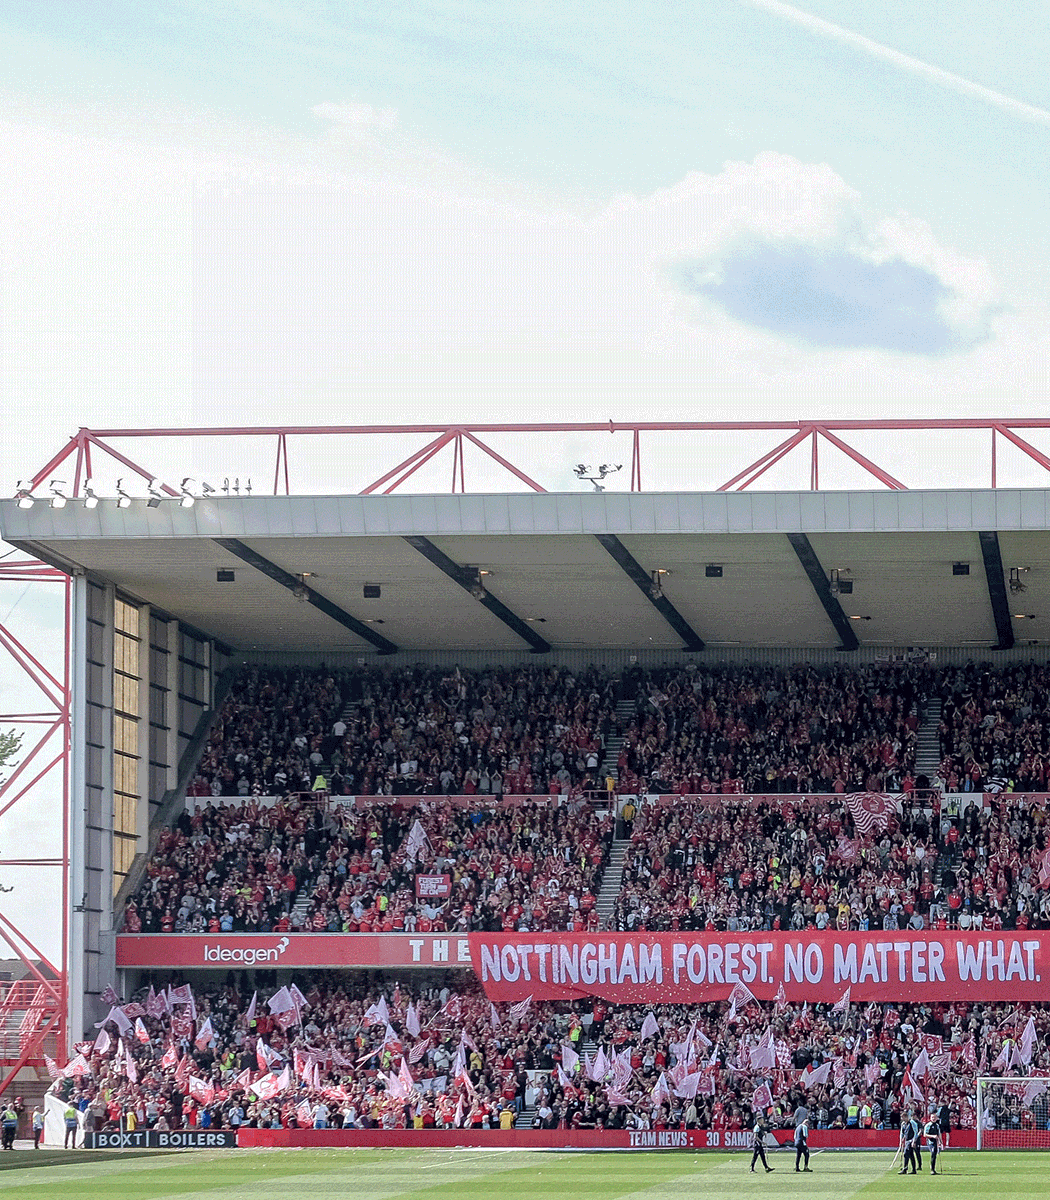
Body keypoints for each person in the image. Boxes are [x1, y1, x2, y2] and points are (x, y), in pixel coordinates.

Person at [899, 1110, 922, 1175]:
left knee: (906, 1154)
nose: (901, 1119)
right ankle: (914, 1169)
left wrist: (914, 1141)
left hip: (911, 1140)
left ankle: (905, 1169)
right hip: (906, 1141)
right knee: (911, 1155)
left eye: (902, 1117)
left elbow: (916, 1132)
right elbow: (902, 1133)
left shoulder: (912, 1122)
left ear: (905, 1117)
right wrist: (901, 1140)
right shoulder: (903, 1124)